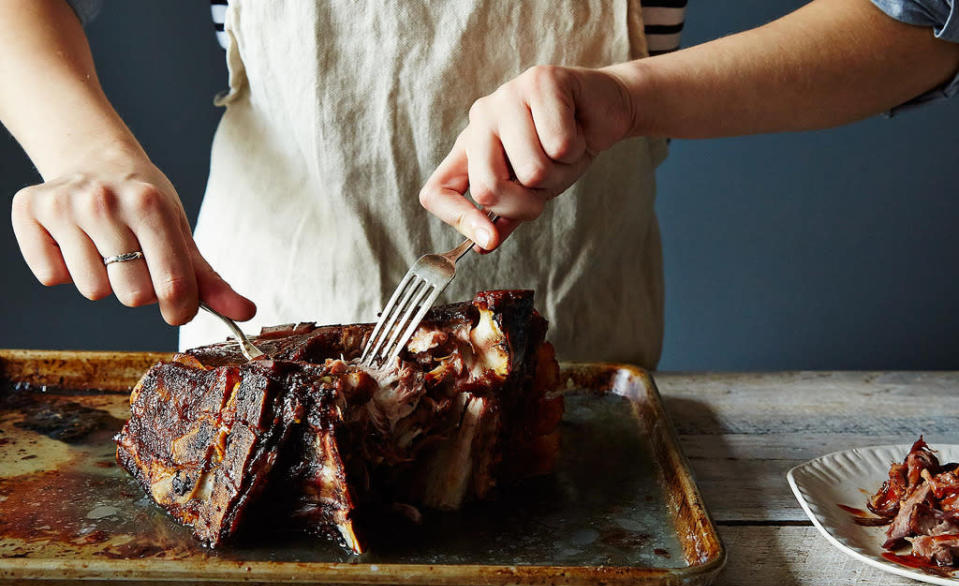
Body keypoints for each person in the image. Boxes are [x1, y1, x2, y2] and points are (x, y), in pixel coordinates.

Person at [2, 0, 957, 369]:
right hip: (251, 350)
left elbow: (920, 21)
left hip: (562, 385)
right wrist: (86, 151)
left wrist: (625, 97)